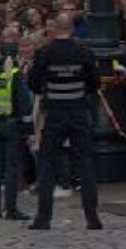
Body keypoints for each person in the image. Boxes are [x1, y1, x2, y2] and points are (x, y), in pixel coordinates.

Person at [27, 14, 101, 230]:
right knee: (85, 164)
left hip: (54, 113)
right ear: (72, 29)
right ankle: (92, 217)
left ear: (53, 29)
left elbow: (33, 82)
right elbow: (94, 83)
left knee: (49, 164)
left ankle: (43, 217)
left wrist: (48, 88)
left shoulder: (45, 53)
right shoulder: (83, 52)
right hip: (78, 111)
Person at [0, 51, 32, 220]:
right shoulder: (14, 76)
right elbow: (25, 105)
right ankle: (11, 209)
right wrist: (28, 129)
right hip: (12, 125)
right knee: (12, 168)